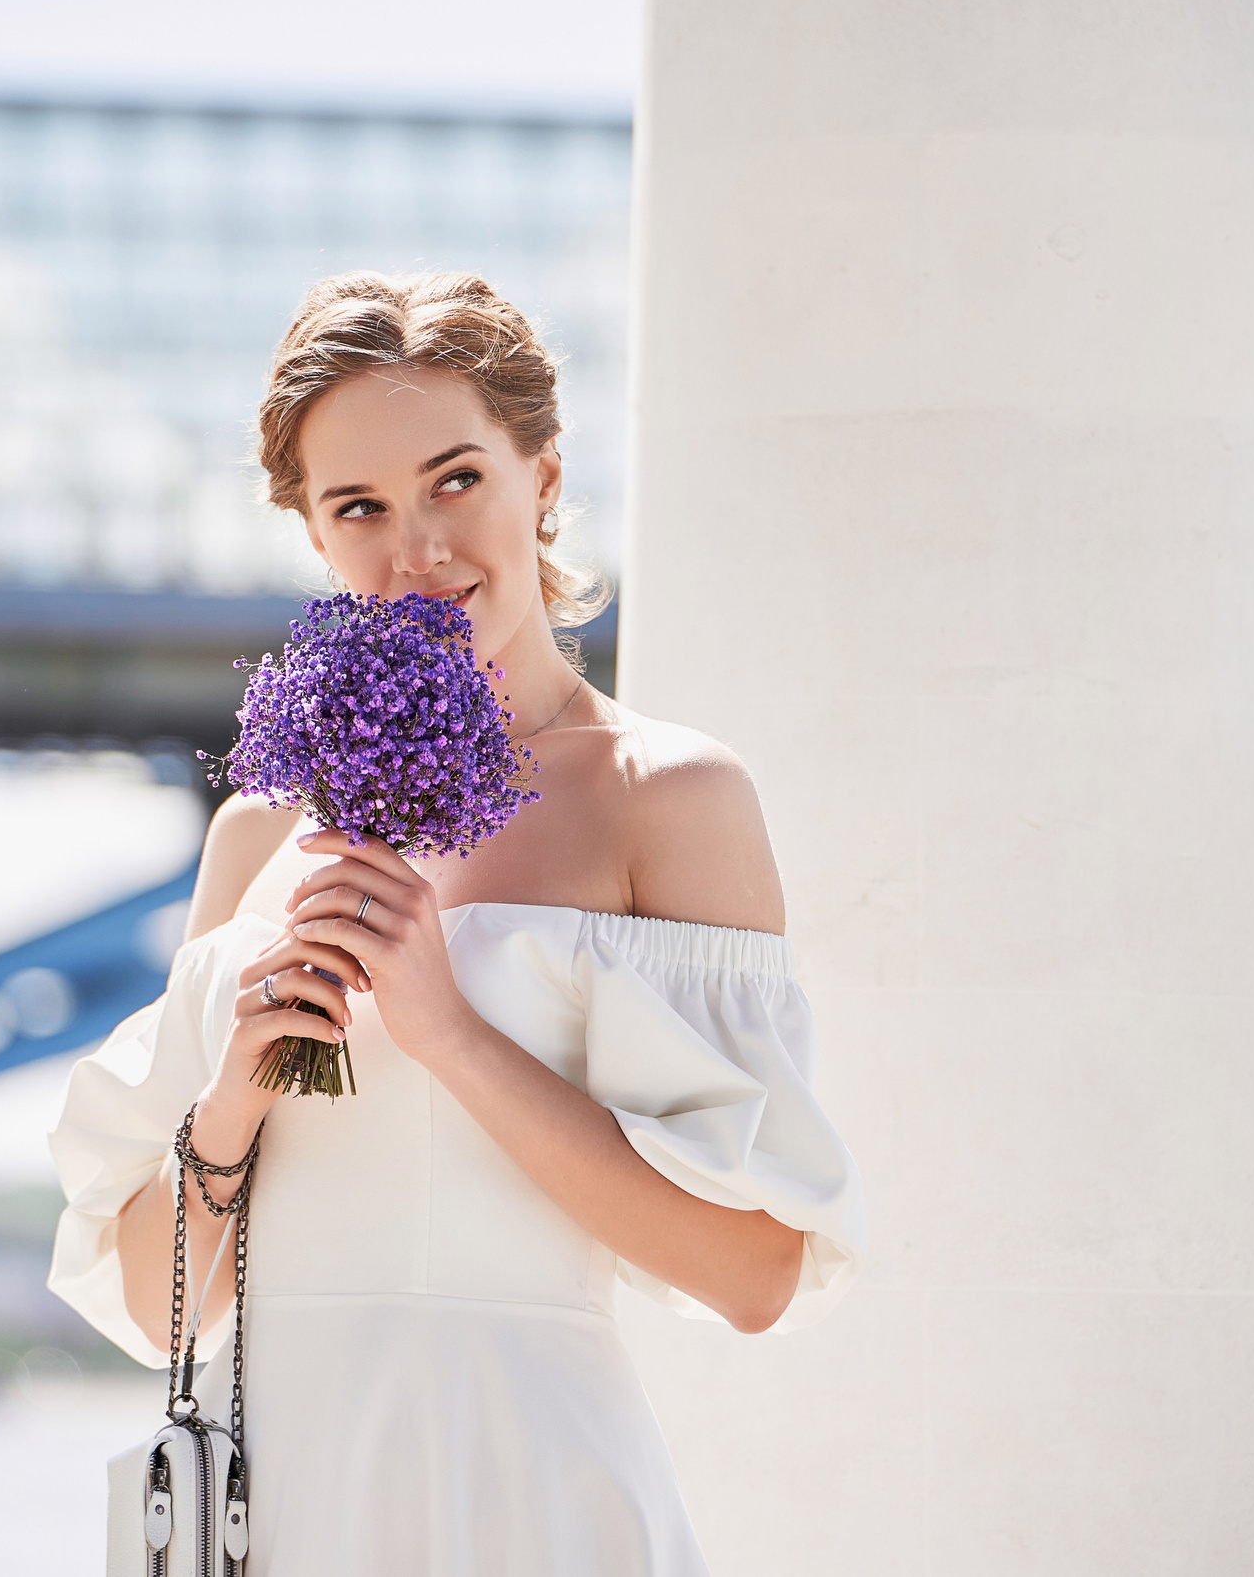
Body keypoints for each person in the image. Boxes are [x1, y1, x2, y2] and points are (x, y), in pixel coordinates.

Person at [46, 271, 866, 1575]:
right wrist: (238, 1093)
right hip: (280, 1512)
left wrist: (450, 1035)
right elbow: (162, 1308)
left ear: (541, 475)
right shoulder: (258, 836)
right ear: (313, 534)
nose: (416, 546)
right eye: (357, 506)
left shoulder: (667, 798)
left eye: (456, 480)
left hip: (538, 1501)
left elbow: (756, 1276)